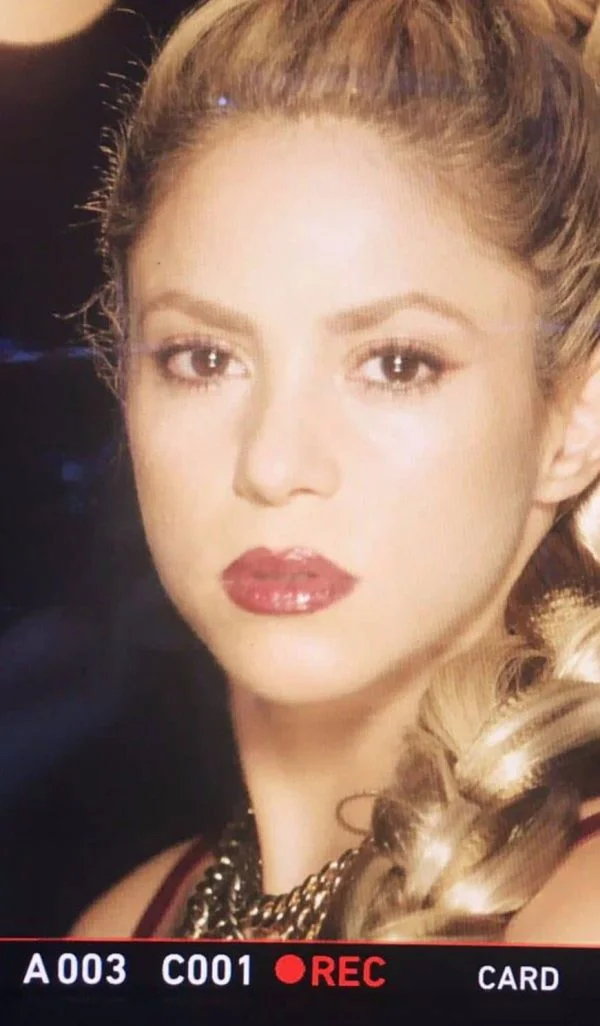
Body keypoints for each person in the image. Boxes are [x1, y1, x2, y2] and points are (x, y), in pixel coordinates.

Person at [72, 0, 600, 943]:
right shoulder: (120, 929)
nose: (273, 465)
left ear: (574, 423)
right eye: (203, 358)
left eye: (397, 364)